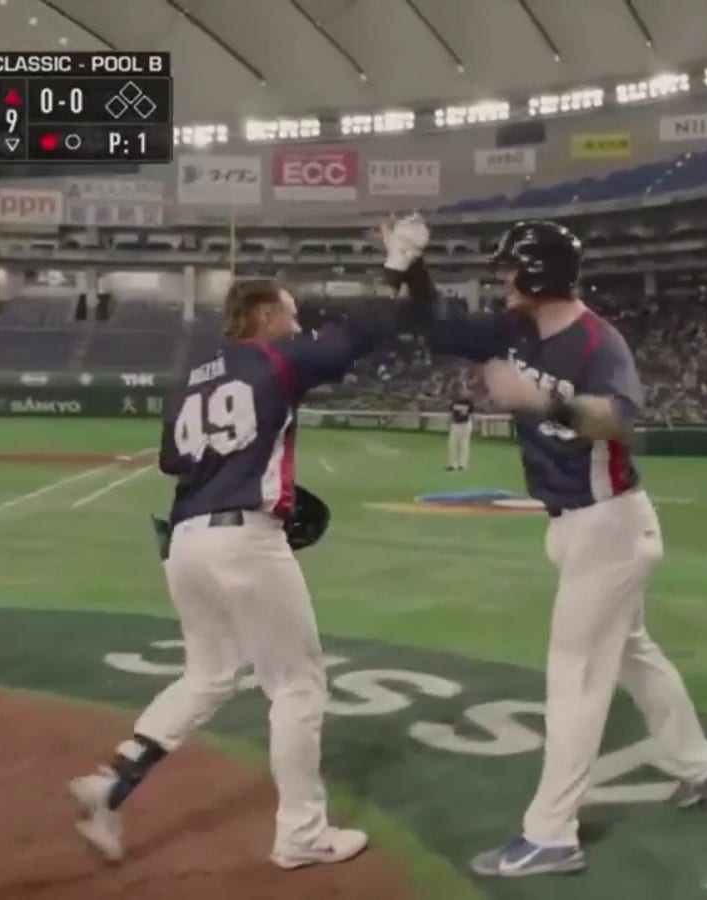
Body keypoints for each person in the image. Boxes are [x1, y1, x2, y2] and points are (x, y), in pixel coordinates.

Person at [65, 216, 431, 869]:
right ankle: (300, 835)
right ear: (262, 316)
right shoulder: (277, 356)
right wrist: (399, 263)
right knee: (296, 686)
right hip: (243, 538)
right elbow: (366, 331)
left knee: (207, 675)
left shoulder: (190, 378)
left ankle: (110, 786)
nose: (297, 322)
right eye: (289, 313)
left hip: (185, 540)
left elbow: (176, 463)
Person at [403, 219, 707, 878]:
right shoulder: (516, 329)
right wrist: (408, 269)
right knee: (634, 654)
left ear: (535, 274)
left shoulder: (596, 340)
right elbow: (434, 326)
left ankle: (553, 833)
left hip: (607, 523)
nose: (500, 280)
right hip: (583, 524)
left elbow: (618, 418)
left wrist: (545, 401)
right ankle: (703, 766)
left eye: (507, 270)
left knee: (576, 675)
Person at [446, 394, 474, 471]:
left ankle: (462, 465)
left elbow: (471, 414)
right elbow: (451, 414)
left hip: (465, 424)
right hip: (455, 424)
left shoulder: (468, 402)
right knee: (452, 444)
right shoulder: (454, 401)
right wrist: (449, 424)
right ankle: (452, 464)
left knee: (464, 444)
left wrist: (471, 425)